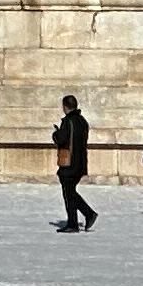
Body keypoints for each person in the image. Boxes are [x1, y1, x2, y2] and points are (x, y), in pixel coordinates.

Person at [49, 93, 98, 233]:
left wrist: (56, 134)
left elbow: (62, 140)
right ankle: (83, 217)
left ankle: (78, 220)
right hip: (81, 162)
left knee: (68, 193)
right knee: (71, 192)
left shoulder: (67, 122)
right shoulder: (83, 121)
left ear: (65, 107)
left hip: (69, 163)